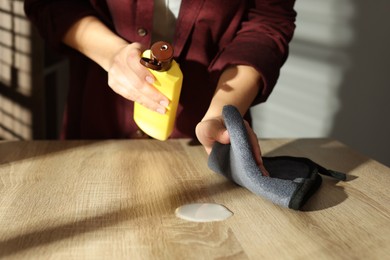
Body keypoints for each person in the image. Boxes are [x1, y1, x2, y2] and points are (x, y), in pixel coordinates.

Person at [24, 0, 296, 174]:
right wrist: (112, 54)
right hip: (97, 123)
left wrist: (220, 115)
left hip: (201, 143)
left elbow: (267, 22)